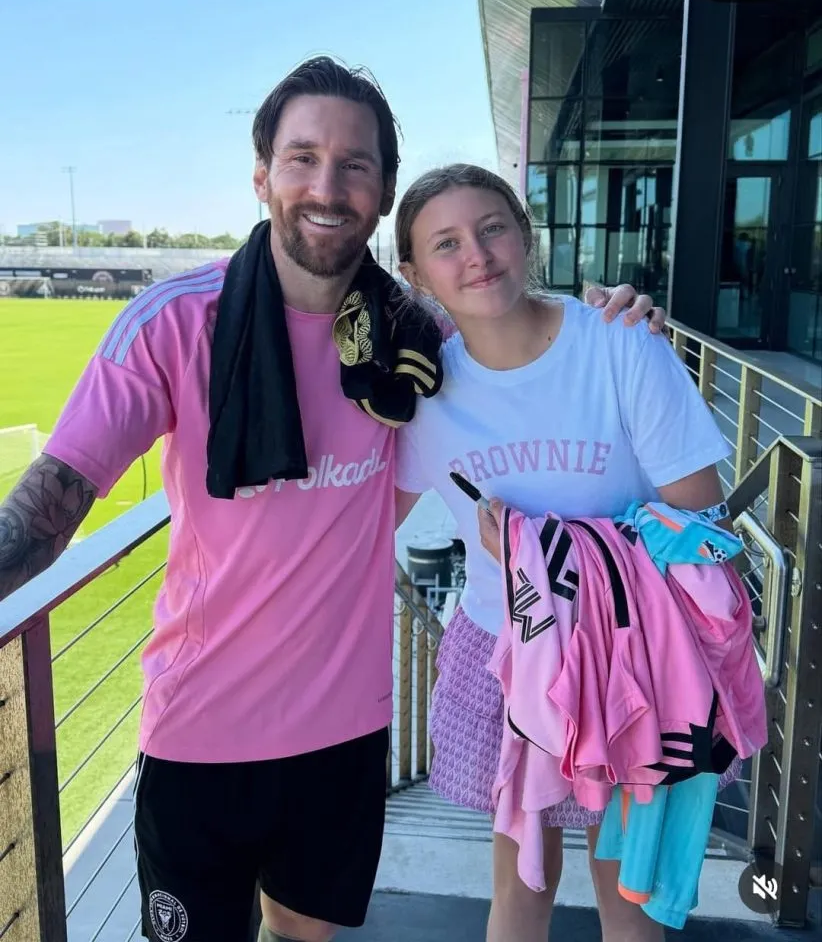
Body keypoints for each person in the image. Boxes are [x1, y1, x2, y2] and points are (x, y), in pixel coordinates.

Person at [0, 58, 664, 942]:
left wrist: (618, 324)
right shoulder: (174, 323)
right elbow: (51, 505)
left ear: (383, 191)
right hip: (200, 729)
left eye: (355, 164)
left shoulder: (414, 343)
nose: (327, 184)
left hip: (343, 739)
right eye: (303, 156)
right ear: (263, 174)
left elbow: (522, 341)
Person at [393, 163, 738, 942]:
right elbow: (359, 514)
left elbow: (700, 515)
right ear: (413, 275)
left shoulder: (618, 344)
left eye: (491, 228)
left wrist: (545, 548)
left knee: (627, 898)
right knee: (521, 890)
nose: (476, 254)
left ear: (526, 236)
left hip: (629, 659)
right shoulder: (420, 391)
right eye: (445, 243)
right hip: (508, 656)